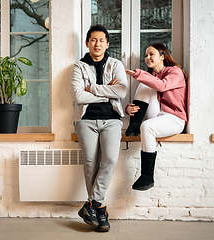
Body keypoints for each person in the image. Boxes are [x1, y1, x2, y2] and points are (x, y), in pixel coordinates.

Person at [71, 24, 127, 232]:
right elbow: (78, 96)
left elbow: (121, 91)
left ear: (107, 44)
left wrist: (92, 89)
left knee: (110, 159)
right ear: (87, 43)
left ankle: (91, 205)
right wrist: (107, 92)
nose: (97, 44)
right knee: (90, 165)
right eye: (93, 40)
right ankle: (100, 210)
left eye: (101, 40)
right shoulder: (78, 67)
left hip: (112, 120)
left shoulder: (116, 64)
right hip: (86, 121)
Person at [125, 43, 187, 191]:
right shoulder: (154, 75)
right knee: (145, 83)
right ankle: (134, 123)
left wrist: (139, 74)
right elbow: (151, 90)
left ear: (162, 56)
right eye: (146, 55)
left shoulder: (175, 72)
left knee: (147, 126)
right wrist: (129, 109)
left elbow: (162, 86)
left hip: (174, 118)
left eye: (151, 54)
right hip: (159, 114)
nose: (147, 58)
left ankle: (147, 176)